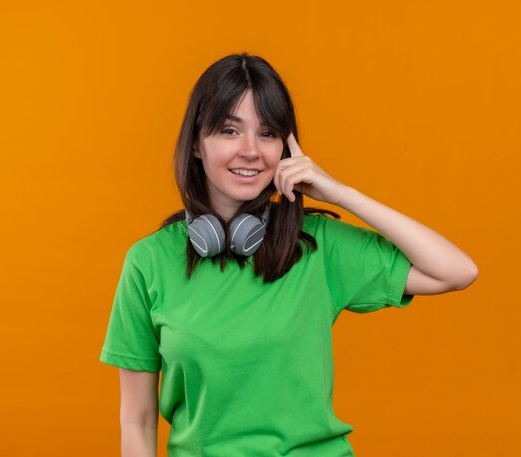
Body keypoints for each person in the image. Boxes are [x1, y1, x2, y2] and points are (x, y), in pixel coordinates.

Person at [99, 52, 478, 457]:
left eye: (267, 133)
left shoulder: (317, 245)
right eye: (229, 130)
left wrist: (340, 192)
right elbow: (136, 421)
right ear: (195, 143)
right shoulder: (148, 262)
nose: (251, 151)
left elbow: (456, 271)